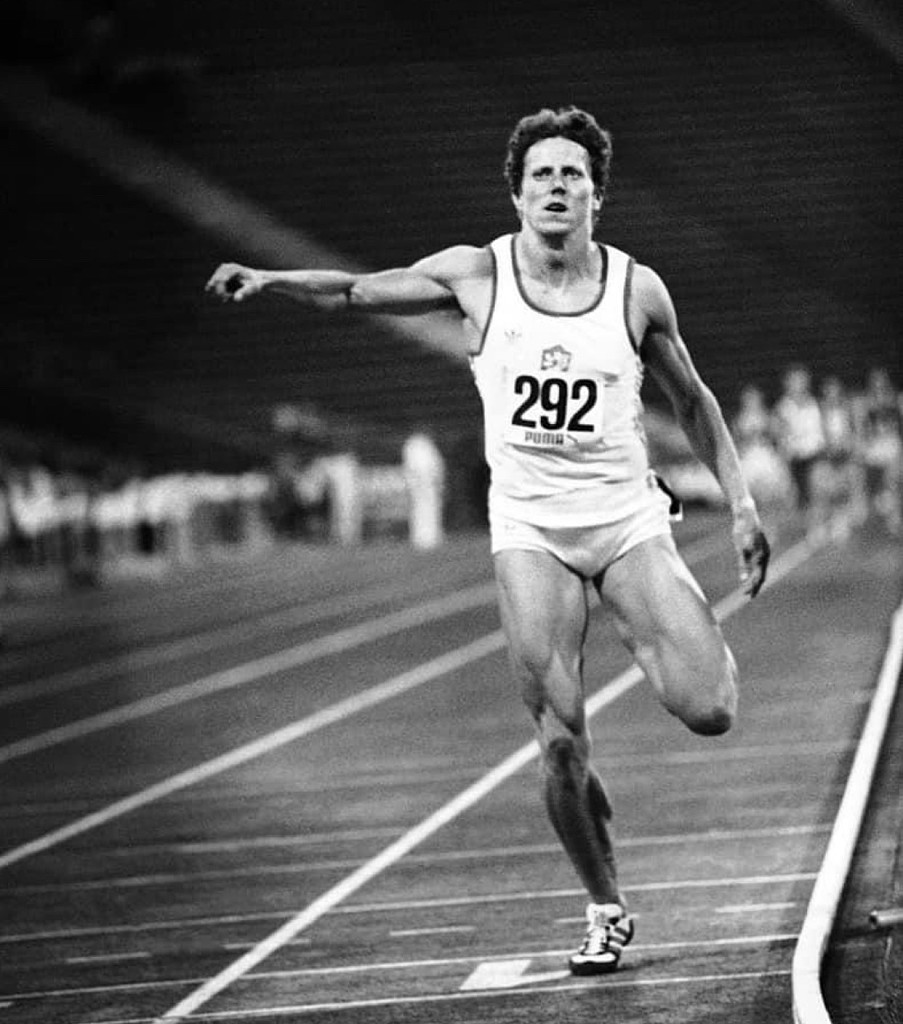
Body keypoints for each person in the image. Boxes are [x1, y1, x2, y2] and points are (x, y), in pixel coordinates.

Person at [206, 106, 770, 975]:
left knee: (710, 707)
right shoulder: (476, 275)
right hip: (530, 530)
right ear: (516, 194)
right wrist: (270, 278)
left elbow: (691, 400)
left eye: (572, 174)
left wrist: (739, 504)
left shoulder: (636, 290)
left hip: (624, 518)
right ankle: (605, 905)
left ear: (597, 196)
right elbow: (354, 291)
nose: (556, 186)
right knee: (558, 740)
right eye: (541, 174)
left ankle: (656, 660)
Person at [771, 364, 827, 537]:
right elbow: (779, 436)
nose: (799, 384)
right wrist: (784, 457)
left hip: (815, 454)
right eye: (795, 381)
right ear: (787, 383)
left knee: (817, 487)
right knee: (791, 497)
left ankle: (816, 526)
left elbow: (822, 430)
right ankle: (776, 527)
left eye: (802, 380)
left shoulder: (815, 403)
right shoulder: (782, 408)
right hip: (794, 457)